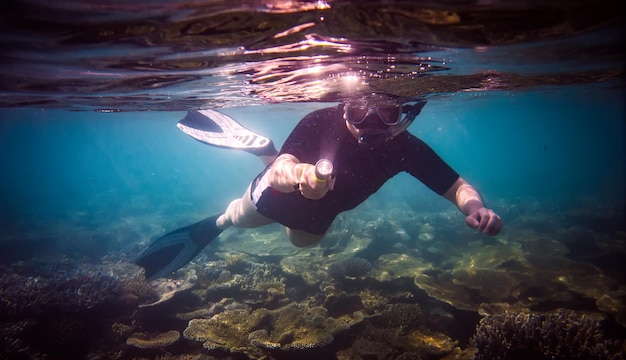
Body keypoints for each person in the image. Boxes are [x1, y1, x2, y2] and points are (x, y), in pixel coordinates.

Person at [136, 94, 503, 280]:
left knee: (301, 242)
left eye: (387, 113)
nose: (371, 122)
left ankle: (267, 155)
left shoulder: (405, 148)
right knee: (237, 217)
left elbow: (456, 186)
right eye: (360, 110)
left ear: (404, 113)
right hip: (278, 197)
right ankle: (257, 162)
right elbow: (284, 169)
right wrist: (299, 176)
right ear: (345, 107)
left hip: (319, 218)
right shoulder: (320, 122)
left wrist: (475, 209)